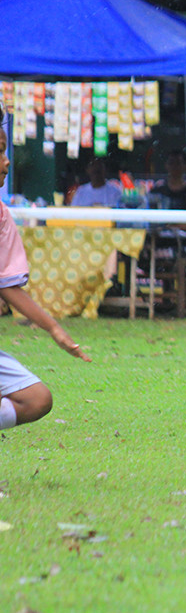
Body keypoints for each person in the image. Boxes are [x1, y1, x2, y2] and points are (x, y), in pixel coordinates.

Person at [0, 124, 91, 433]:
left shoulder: (1, 216)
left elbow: (8, 286)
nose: (7, 161)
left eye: (5, 150)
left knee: (37, 399)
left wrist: (54, 328)